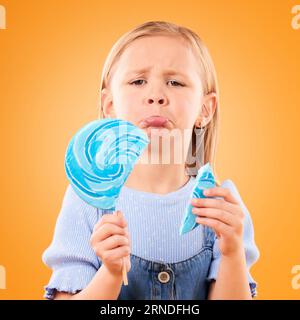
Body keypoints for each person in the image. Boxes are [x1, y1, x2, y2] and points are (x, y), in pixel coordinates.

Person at [42, 20, 260, 300]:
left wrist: (232, 251)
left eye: (175, 82)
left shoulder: (221, 205)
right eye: (138, 81)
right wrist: (110, 272)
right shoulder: (87, 201)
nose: (156, 96)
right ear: (110, 106)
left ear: (205, 109)